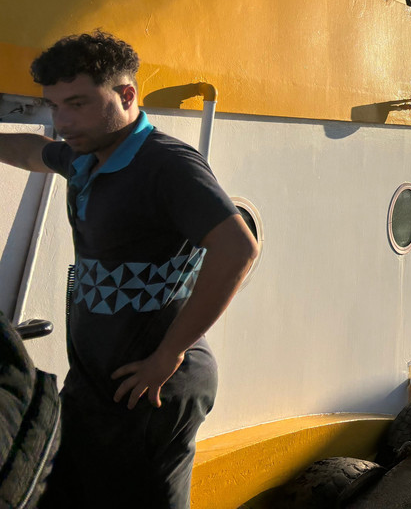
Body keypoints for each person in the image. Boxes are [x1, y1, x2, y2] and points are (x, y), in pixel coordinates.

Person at [0, 31, 259, 509]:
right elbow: (33, 153)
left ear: (125, 95)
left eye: (77, 104)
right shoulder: (86, 155)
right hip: (95, 385)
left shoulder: (166, 164)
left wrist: (169, 356)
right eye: (54, 106)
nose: (61, 121)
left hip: (150, 389)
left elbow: (238, 248)